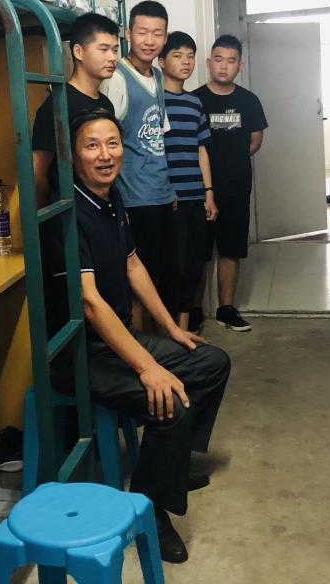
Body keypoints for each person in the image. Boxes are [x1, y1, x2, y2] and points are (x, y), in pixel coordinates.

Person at [41, 109, 231, 565]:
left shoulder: (111, 199)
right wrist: (149, 368)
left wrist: (171, 328)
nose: (105, 155)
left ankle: (172, 465)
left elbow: (132, 265)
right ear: (73, 155)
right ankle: (151, 513)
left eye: (112, 143)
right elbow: (90, 303)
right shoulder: (67, 213)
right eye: (92, 145)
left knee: (211, 362)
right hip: (78, 356)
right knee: (171, 401)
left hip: (116, 341)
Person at [100, 1, 175, 331]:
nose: (149, 40)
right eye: (142, 32)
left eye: (157, 33)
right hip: (133, 198)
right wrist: (115, 201)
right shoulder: (117, 78)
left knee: (156, 277)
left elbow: (158, 136)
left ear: (165, 37)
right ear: (128, 33)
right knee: (135, 284)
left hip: (159, 194)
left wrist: (169, 189)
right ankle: (141, 349)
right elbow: (107, 144)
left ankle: (155, 346)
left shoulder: (157, 75)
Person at [194, 35, 267, 333]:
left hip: (236, 186)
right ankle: (192, 310)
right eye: (218, 59)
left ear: (240, 66)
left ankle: (226, 309)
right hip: (198, 189)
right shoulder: (194, 100)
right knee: (198, 251)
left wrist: (230, 161)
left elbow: (255, 142)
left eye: (231, 60)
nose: (224, 66)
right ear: (209, 62)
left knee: (231, 248)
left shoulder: (249, 101)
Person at [159, 32, 218, 331]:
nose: (186, 62)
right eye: (177, 55)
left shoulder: (195, 103)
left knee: (193, 265)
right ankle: (169, 331)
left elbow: (201, 150)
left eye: (190, 56)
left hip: (195, 196)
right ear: (161, 61)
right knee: (172, 266)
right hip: (167, 199)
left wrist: (209, 193)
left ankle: (183, 330)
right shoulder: (154, 100)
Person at [31, 12, 118, 207]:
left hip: (101, 205)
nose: (112, 57)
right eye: (103, 49)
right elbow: (38, 170)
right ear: (78, 52)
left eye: (115, 50)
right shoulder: (58, 105)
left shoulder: (105, 104)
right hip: (72, 209)